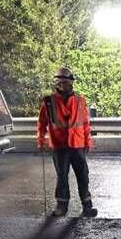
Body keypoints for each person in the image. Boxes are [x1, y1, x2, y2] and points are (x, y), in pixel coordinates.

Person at [37, 66, 96, 217]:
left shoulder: (80, 101)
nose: (63, 84)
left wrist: (88, 142)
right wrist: (41, 140)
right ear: (57, 83)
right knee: (62, 176)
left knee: (83, 176)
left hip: (78, 144)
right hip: (60, 145)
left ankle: (87, 206)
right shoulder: (49, 102)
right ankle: (61, 206)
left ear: (71, 83)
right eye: (60, 82)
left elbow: (85, 123)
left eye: (66, 82)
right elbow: (42, 123)